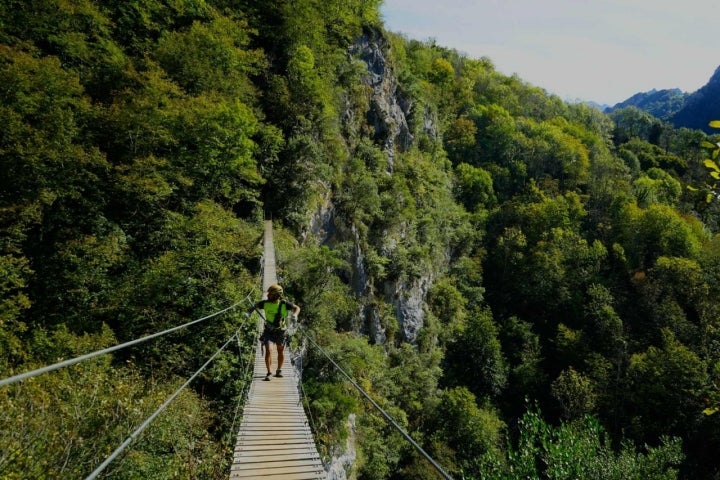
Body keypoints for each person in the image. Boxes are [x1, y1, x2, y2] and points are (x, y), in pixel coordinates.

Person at [245, 284, 300, 381]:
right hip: (269, 331)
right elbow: (254, 307)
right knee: (268, 350)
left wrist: (295, 315)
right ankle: (269, 372)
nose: (267, 296)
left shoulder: (284, 304)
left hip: (281, 331)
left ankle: (279, 370)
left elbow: (297, 308)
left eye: (270, 294)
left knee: (280, 350)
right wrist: (248, 313)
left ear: (276, 295)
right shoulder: (265, 303)